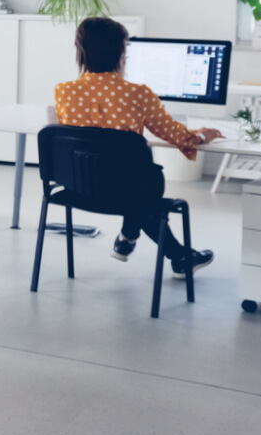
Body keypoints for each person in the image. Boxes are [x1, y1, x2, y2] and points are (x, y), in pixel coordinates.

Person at [53, 17, 218, 275]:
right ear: (121, 53)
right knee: (144, 188)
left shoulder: (64, 92)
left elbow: (78, 138)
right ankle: (135, 239)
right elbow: (174, 134)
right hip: (129, 191)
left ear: (80, 52)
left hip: (79, 187)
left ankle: (145, 245)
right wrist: (202, 136)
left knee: (137, 185)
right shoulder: (137, 94)